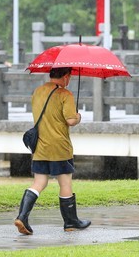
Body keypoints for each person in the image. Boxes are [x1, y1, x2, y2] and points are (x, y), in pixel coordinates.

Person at [14, 67, 91, 235]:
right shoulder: (65, 94)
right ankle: (70, 222)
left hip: (41, 147)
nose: (69, 80)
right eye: (69, 77)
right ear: (65, 76)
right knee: (65, 184)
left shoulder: (38, 91)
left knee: (39, 183)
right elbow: (70, 120)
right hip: (60, 148)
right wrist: (78, 117)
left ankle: (22, 216)